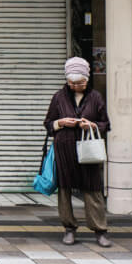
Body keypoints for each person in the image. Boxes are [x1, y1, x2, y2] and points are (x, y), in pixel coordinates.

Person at [44, 56, 112, 248]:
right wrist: (61, 123)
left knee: (93, 190)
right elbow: (48, 124)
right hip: (64, 149)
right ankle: (69, 228)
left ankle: (100, 230)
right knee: (64, 191)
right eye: (72, 83)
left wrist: (91, 125)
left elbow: (105, 124)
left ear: (87, 79)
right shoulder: (58, 97)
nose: (76, 86)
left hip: (89, 150)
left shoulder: (95, 97)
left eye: (80, 83)